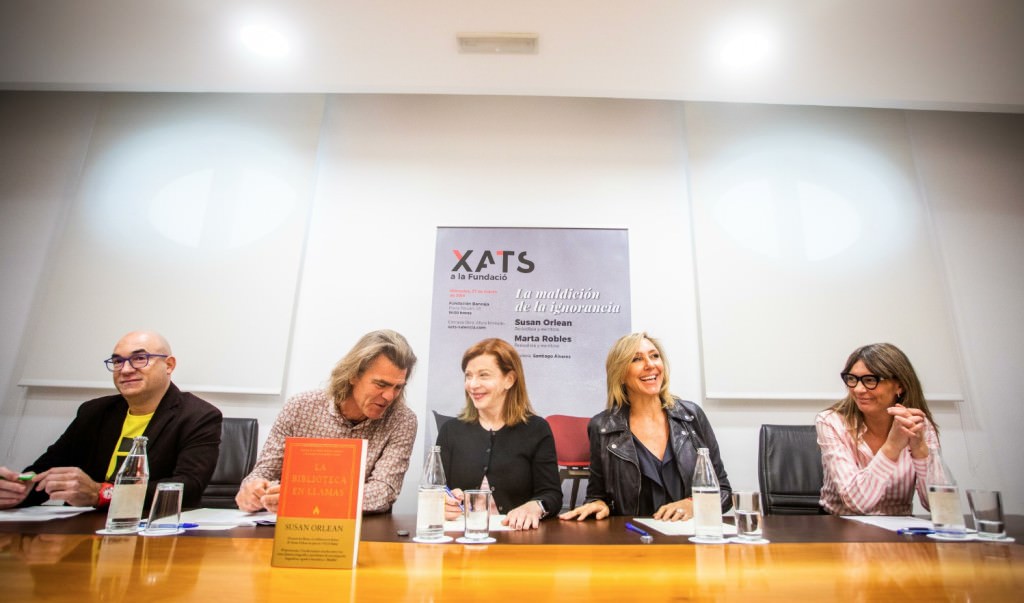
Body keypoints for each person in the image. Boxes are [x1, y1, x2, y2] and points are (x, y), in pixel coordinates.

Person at [0, 331, 222, 510]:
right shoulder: (94, 412)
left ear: (169, 365)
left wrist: (103, 493)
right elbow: (47, 470)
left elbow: (187, 488)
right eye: (117, 362)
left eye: (139, 359)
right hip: (81, 531)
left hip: (151, 533)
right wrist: (18, 492)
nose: (125, 370)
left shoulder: (198, 415)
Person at [236, 329, 418, 514]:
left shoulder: (401, 421)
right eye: (381, 384)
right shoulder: (300, 408)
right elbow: (265, 471)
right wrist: (253, 491)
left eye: (398, 387)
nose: (389, 396)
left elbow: (382, 492)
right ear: (353, 375)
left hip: (362, 532)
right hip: (292, 528)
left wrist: (303, 498)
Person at [560, 332, 731, 522]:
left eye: (654, 356)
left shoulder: (691, 416)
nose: (651, 364)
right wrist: (599, 504)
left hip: (688, 538)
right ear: (621, 374)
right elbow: (597, 496)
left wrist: (694, 503)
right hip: (634, 539)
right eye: (637, 359)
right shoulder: (602, 426)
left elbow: (723, 492)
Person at [436, 338, 562, 530]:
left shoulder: (536, 429)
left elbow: (551, 495)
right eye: (468, 376)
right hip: (461, 541)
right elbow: (436, 489)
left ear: (509, 380)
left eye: (483, 375)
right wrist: (441, 503)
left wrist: (535, 506)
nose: (472, 384)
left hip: (517, 540)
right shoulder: (450, 431)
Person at [817, 342, 940, 515]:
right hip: (842, 525)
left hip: (898, 530)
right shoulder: (832, 422)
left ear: (900, 385)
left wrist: (920, 449)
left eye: (870, 380)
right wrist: (892, 447)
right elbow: (857, 503)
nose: (858, 389)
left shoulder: (919, 424)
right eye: (852, 379)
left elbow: (939, 506)